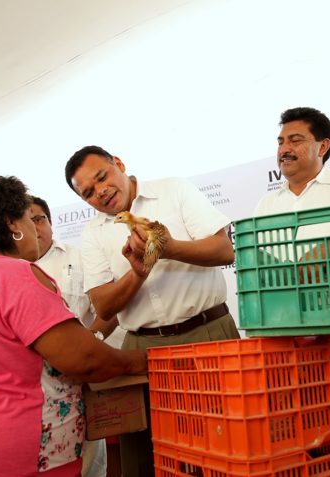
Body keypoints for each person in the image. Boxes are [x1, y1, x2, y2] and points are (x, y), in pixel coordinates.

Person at [0, 176, 147, 477]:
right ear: (12, 226)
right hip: (6, 455)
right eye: (28, 219)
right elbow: (85, 361)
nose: (35, 230)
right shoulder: (17, 275)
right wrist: (143, 359)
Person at [65, 146, 241, 477]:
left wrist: (169, 249)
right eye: (88, 192)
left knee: (223, 447)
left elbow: (224, 249)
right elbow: (103, 304)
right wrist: (139, 273)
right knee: (146, 455)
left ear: (118, 164)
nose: (100, 192)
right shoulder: (93, 233)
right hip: (141, 351)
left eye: (102, 177)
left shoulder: (173, 190)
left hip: (209, 335)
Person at [30, 195, 126, 477]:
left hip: (86, 372)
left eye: (39, 218)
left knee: (90, 459)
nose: (34, 226)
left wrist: (90, 344)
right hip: (35, 389)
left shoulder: (80, 257)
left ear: (50, 222)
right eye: (26, 220)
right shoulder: (9, 270)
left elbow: (112, 307)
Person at [254, 107, 330, 224]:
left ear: (323, 147)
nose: (284, 149)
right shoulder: (266, 205)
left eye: (295, 140)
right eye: (280, 143)